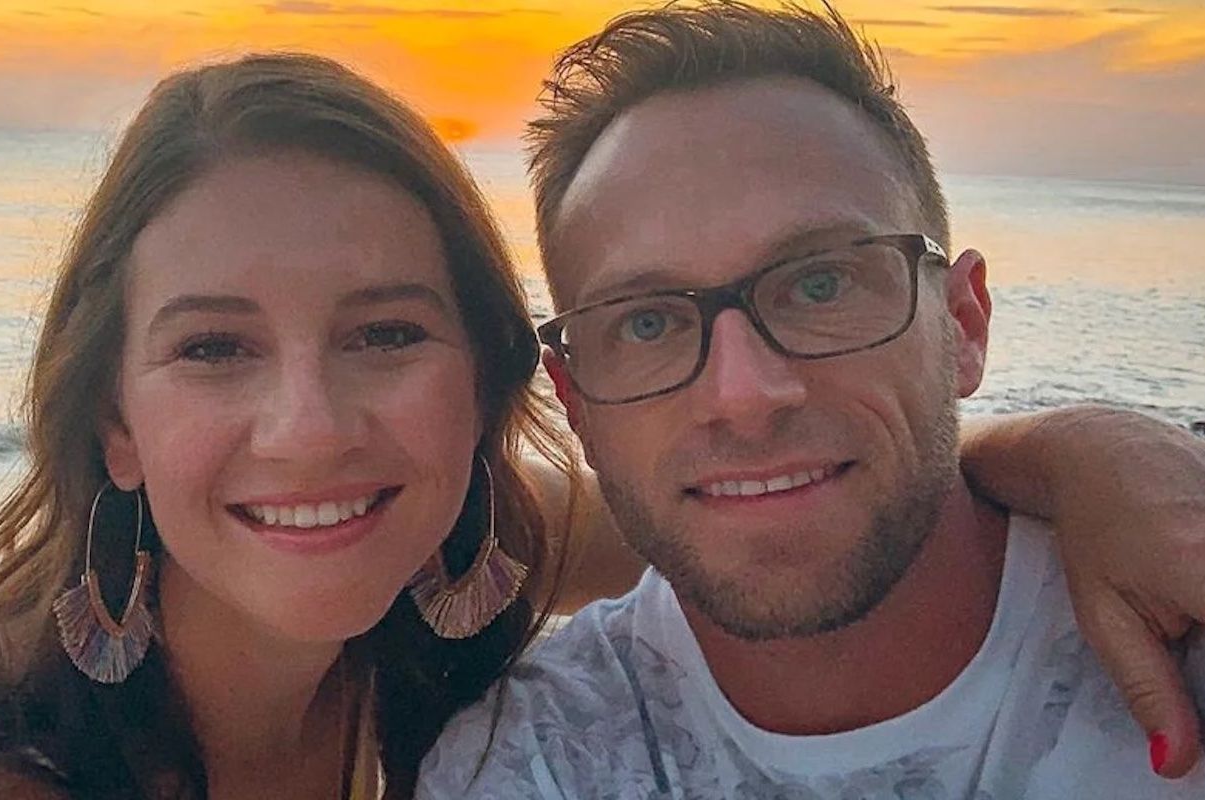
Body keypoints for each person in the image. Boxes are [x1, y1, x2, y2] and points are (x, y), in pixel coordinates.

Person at [0, 50, 1205, 800]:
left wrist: (1094, 457)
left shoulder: (462, 565)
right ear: (111, 429)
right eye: (212, 348)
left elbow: (786, 483)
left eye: (384, 334)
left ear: (498, 387)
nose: (309, 429)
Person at [418, 3, 1205, 798]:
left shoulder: (1174, 605)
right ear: (575, 401)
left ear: (962, 325)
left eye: (819, 284)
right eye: (647, 322)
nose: (745, 396)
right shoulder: (529, 765)